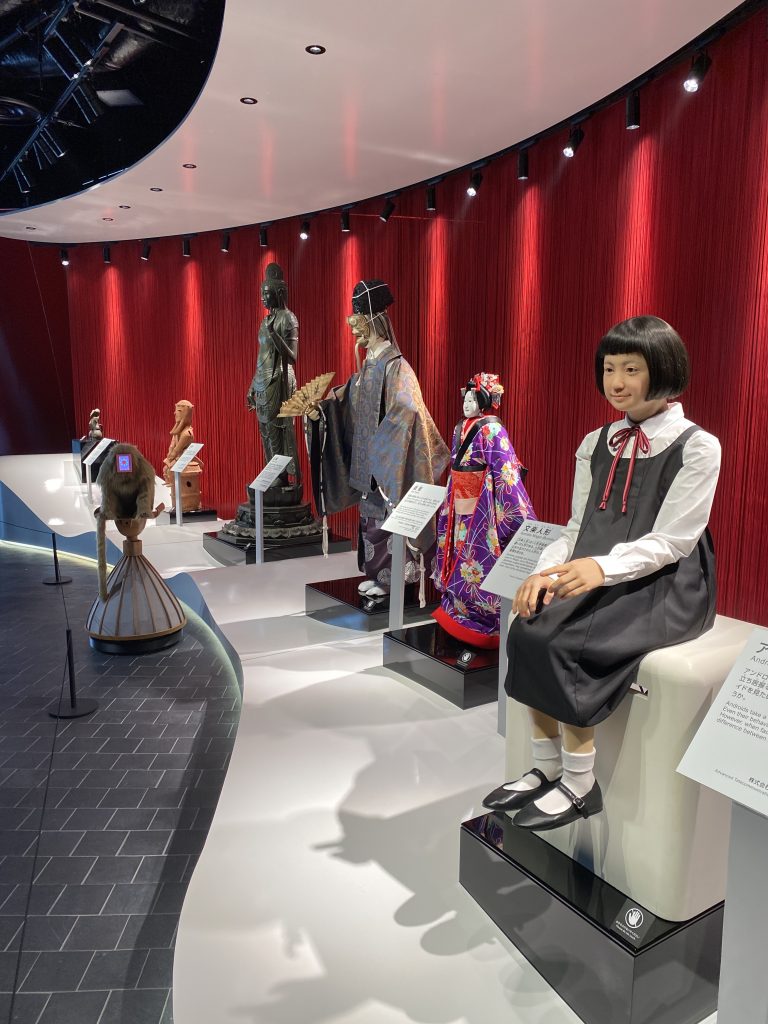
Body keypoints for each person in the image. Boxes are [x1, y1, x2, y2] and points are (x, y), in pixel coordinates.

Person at [483, 316, 719, 830]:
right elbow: (576, 526)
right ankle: (545, 767)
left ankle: (579, 782)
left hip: (665, 579)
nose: (617, 382)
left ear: (663, 370)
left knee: (570, 642)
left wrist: (600, 568)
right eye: (610, 369)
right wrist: (546, 572)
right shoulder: (596, 442)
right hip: (589, 564)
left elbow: (674, 541)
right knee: (525, 628)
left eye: (631, 369)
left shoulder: (697, 446)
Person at [307, 280, 449, 599]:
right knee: (372, 520)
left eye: (357, 325)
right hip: (370, 463)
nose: (354, 333)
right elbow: (347, 399)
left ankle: (395, 579)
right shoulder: (369, 365)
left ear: (371, 322)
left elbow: (409, 408)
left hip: (387, 463)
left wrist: (383, 445)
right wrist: (323, 411)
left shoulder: (396, 366)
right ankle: (377, 575)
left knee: (389, 519)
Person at [432, 373, 536, 647]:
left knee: (476, 552)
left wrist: (515, 512)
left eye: (472, 399)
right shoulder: (460, 427)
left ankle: (484, 616)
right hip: (458, 497)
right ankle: (457, 606)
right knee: (456, 548)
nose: (466, 404)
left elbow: (505, 467)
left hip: (481, 502)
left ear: (484, 402)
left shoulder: (492, 429)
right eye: (465, 399)